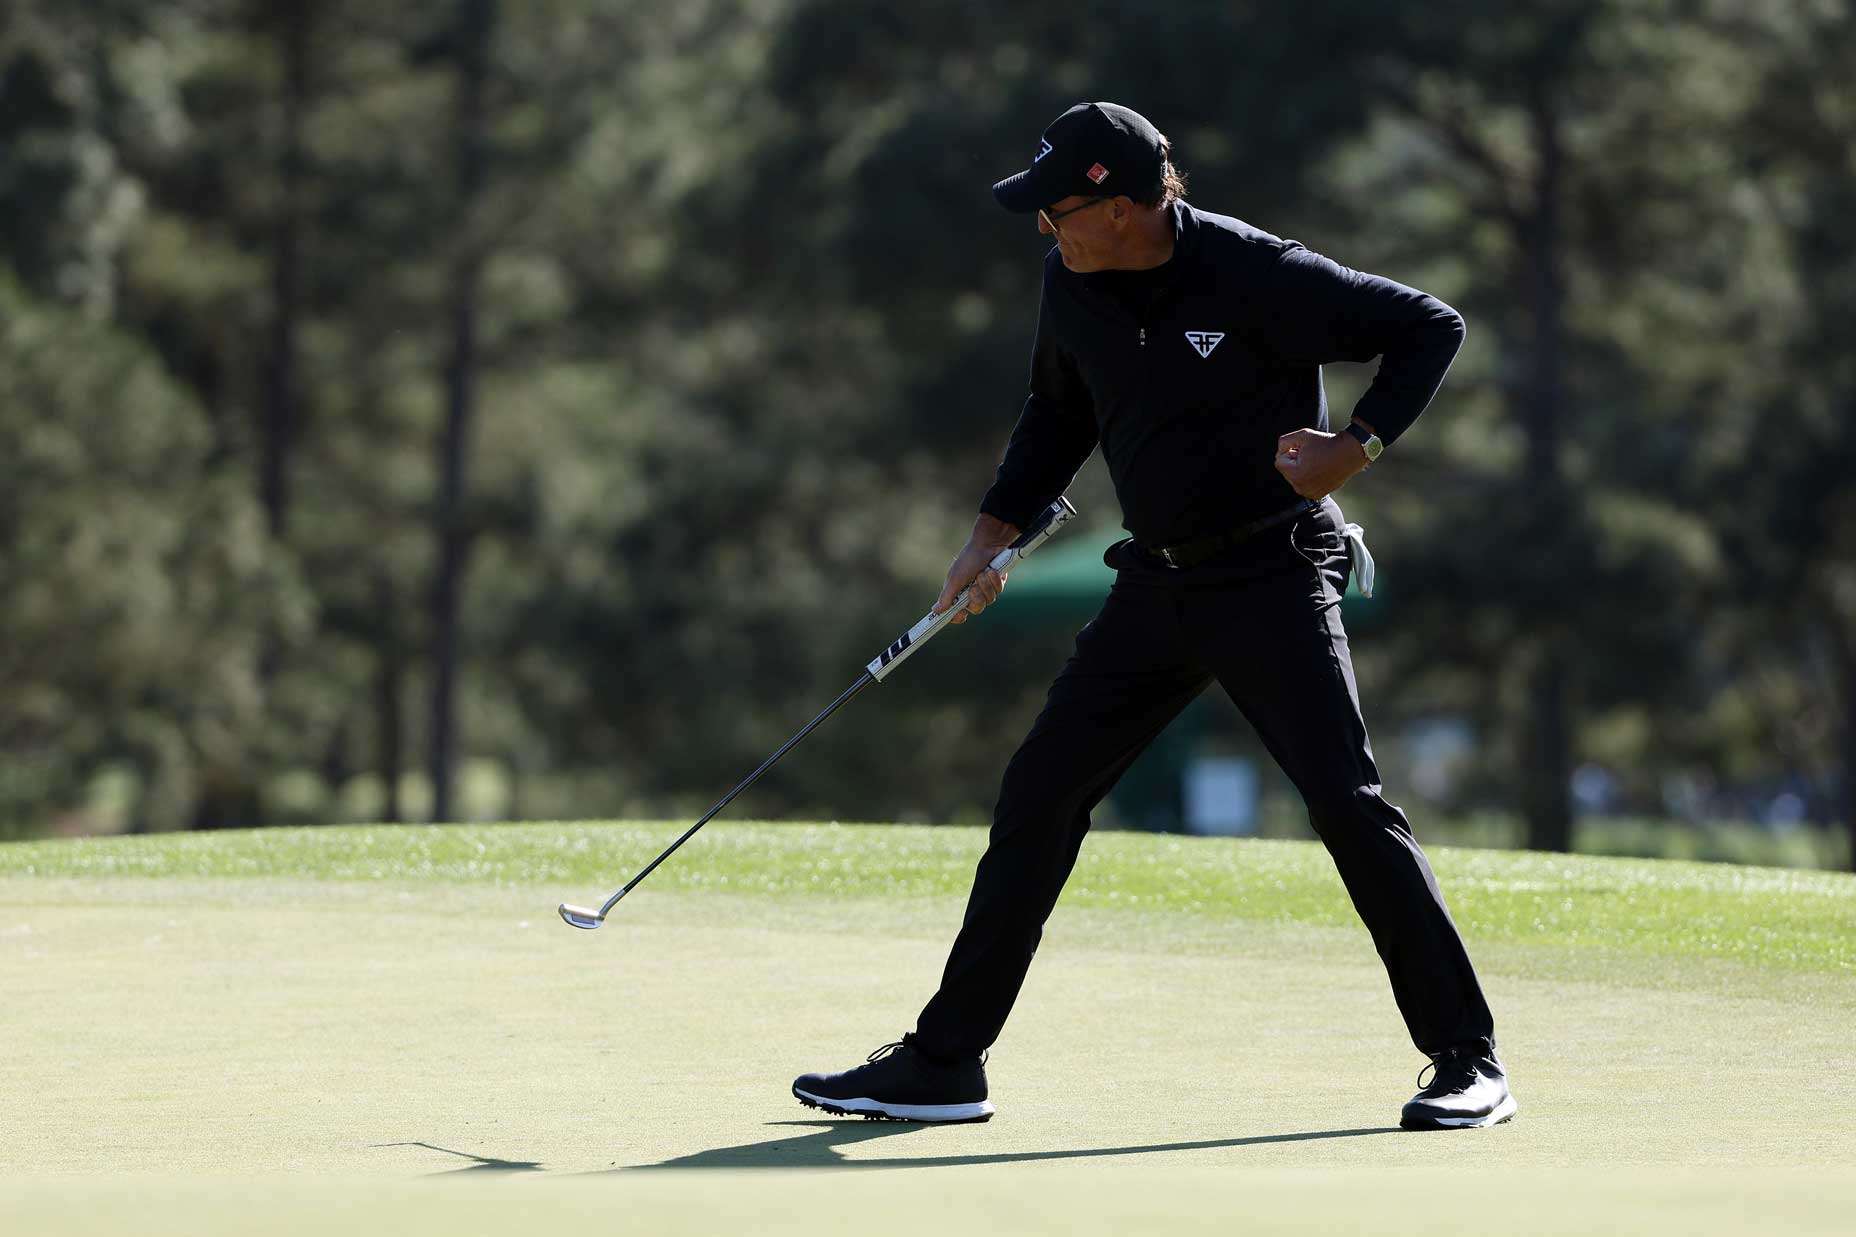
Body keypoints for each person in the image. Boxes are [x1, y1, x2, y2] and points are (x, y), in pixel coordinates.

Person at [793, 102, 1516, 1132]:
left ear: (1128, 206)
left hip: (1273, 572)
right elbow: (1056, 410)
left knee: (1345, 803)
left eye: (1059, 211)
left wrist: (1354, 446)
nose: (1044, 229)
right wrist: (988, 532)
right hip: (1156, 584)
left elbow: (1425, 326)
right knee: (1038, 792)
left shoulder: (1254, 271)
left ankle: (1466, 1059)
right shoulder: (1070, 280)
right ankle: (945, 1063)